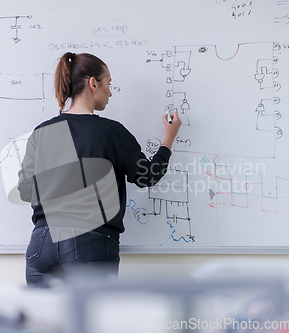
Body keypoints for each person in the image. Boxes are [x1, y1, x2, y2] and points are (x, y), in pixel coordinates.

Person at [18, 52, 181, 287]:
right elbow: (148, 176)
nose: (111, 92)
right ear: (93, 83)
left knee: (43, 321)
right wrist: (168, 139)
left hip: (42, 243)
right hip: (89, 241)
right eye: (109, 84)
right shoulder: (110, 132)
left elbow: (25, 190)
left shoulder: (41, 132)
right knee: (93, 321)